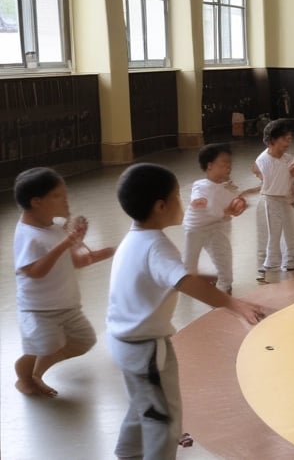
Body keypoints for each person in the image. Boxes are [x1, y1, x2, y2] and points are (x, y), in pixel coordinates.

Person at [106, 163, 265, 460]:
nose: (183, 203)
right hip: (144, 347)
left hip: (126, 341)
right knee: (164, 417)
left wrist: (197, 280)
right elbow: (182, 282)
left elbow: (159, 280)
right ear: (161, 206)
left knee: (144, 403)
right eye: (178, 197)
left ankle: (128, 453)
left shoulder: (135, 239)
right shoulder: (157, 246)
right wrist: (235, 304)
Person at [12, 168, 115, 397]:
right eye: (59, 196)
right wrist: (65, 244)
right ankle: (24, 379)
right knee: (39, 347)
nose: (67, 201)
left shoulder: (55, 228)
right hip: (39, 309)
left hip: (67, 304)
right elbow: (35, 272)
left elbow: (75, 261)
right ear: (37, 202)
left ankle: (38, 372)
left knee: (84, 340)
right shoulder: (29, 236)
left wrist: (92, 249)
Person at [183, 143, 258, 295]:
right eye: (224, 163)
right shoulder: (201, 185)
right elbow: (199, 199)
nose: (228, 166)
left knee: (225, 265)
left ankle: (225, 289)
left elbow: (239, 200)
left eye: (230, 163)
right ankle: (188, 280)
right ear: (210, 165)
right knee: (189, 268)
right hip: (195, 229)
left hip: (217, 228)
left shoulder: (230, 187)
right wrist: (199, 201)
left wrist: (241, 203)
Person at [251, 120, 294, 282]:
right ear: (272, 141)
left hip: (284, 200)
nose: (289, 140)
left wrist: (291, 194)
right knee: (270, 236)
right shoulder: (263, 160)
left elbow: (293, 177)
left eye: (290, 137)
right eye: (284, 137)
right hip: (269, 200)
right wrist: (262, 179)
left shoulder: (288, 158)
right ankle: (266, 268)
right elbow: (255, 169)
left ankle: (290, 262)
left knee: (291, 232)